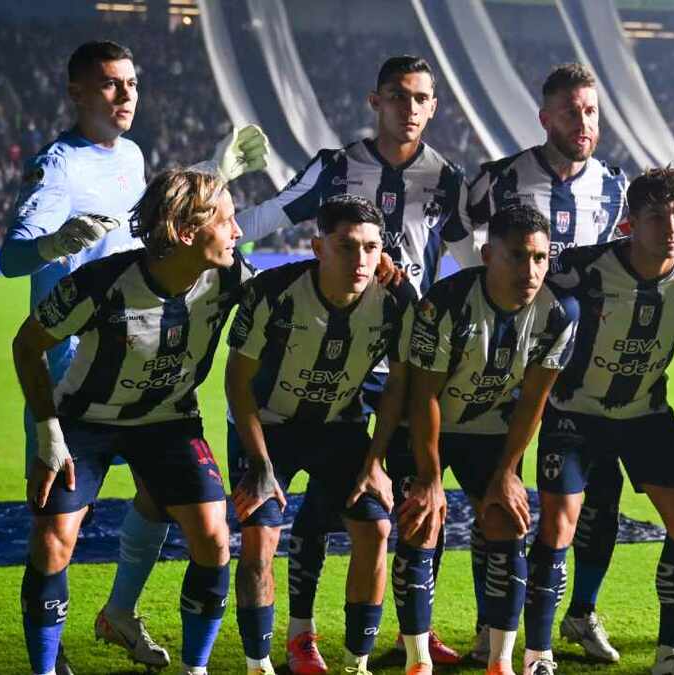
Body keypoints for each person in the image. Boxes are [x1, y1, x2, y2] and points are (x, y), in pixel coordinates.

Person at [0, 40, 268, 671]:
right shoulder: (57, 167)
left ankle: (119, 612)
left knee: (162, 496)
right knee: (60, 528)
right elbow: (12, 258)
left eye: (133, 83)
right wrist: (53, 244)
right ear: (77, 92)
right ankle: (52, 652)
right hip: (76, 367)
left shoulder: (133, 154)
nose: (127, 95)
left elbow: (161, 229)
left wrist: (213, 173)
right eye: (111, 84)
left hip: (153, 359)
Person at [232, 54, 474, 672]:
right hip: (332, 358)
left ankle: (414, 632)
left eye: (420, 98)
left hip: (400, 359)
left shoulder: (447, 178)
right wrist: (218, 227)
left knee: (413, 498)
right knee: (322, 505)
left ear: (434, 106)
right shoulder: (336, 167)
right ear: (376, 101)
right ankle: (302, 632)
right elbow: (265, 217)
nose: (409, 108)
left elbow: (469, 261)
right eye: (397, 95)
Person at [465, 62, 628, 664]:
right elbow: (455, 228)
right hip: (508, 363)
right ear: (545, 118)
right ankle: (492, 625)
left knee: (599, 496)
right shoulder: (502, 178)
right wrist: (485, 289)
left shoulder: (613, 186)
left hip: (584, 367)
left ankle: (582, 612)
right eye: (571, 111)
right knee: (496, 494)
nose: (583, 122)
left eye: (590, 111)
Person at [525, 167, 674, 675]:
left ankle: (671, 654)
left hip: (645, 414)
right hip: (575, 413)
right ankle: (538, 654)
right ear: (630, 223)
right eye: (657, 217)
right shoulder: (584, 268)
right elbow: (526, 293)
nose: (671, 228)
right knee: (562, 522)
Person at [224, 194, 417, 675]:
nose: (361, 260)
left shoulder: (396, 300)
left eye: (371, 248)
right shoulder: (273, 292)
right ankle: (258, 665)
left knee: (376, 529)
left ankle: (356, 665)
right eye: (346, 246)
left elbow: (398, 385)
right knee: (260, 538)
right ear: (317, 247)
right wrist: (260, 464)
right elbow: (237, 381)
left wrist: (375, 463)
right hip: (266, 429)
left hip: (339, 428)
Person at [394, 204, 578, 675]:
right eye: (517, 256)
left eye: (539, 258)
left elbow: (534, 400)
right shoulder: (446, 302)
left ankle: (500, 661)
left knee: (507, 520)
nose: (530, 270)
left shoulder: (559, 313)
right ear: (488, 254)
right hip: (425, 428)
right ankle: (417, 661)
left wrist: (508, 473)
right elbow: (423, 395)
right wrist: (430, 477)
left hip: (490, 431)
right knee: (421, 522)